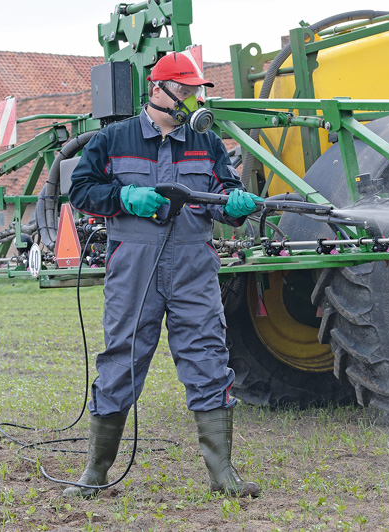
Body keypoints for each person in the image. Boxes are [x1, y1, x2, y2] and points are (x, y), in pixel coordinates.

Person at [66, 51, 262, 499]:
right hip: (134, 267)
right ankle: (95, 472)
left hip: (194, 267)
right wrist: (125, 196)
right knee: (121, 360)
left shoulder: (206, 143)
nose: (193, 99)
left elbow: (227, 190)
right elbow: (80, 189)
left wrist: (235, 204)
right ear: (158, 88)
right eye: (186, 90)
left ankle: (223, 475)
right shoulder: (113, 139)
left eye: (197, 92)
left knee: (209, 359)